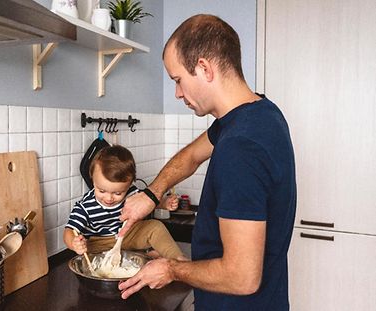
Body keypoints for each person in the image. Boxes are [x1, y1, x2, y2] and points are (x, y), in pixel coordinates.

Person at [118, 14, 297, 310]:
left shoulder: (241, 147)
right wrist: (152, 194)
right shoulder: (260, 113)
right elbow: (191, 155)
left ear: (204, 68)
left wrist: (171, 268)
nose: (177, 93)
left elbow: (242, 277)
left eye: (178, 80)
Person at [64, 145, 187, 261]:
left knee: (155, 227)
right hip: (98, 244)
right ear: (93, 179)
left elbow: (147, 204)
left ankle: (178, 261)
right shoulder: (85, 206)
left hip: (127, 237)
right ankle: (143, 254)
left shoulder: (132, 193)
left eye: (117, 193)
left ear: (129, 184)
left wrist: (163, 203)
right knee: (91, 252)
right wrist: (74, 243)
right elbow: (69, 231)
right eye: (102, 191)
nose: (109, 198)